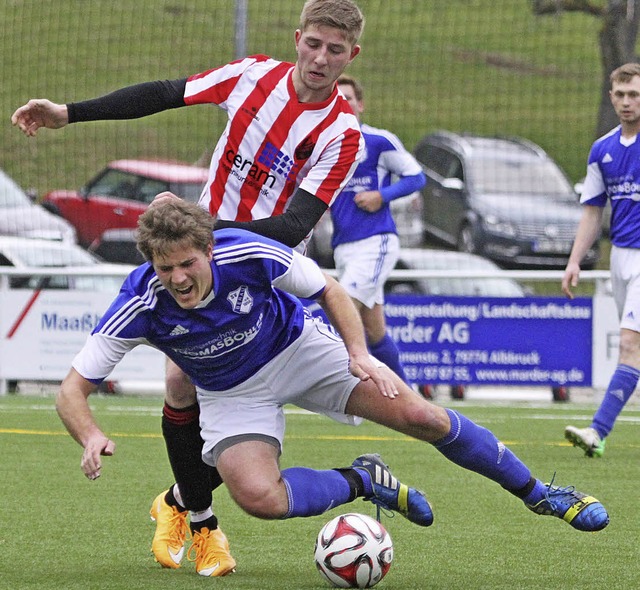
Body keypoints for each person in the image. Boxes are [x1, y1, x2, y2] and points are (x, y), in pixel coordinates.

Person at [56, 199, 608, 580]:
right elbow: (72, 390)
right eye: (165, 266)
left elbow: (330, 288)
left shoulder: (246, 252)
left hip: (301, 351)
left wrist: (358, 354)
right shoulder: (141, 301)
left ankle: (540, 494)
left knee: (422, 417)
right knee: (259, 500)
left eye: (187, 263)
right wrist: (88, 434)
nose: (177, 277)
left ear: (208, 248)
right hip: (231, 394)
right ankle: (363, 478)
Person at [12, 0, 366, 572]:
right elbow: (164, 92)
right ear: (298, 39)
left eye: (334, 50)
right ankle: (202, 524)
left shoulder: (343, 134)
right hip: (201, 257)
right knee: (180, 379)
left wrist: (202, 228)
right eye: (314, 44)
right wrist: (68, 113)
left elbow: (293, 227)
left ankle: (182, 502)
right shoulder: (252, 76)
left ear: (352, 54)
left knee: (202, 389)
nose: (321, 58)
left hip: (262, 270)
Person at [563, 62, 640, 458]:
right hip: (620, 258)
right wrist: (576, 260)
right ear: (611, 97)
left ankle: (597, 431)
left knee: (630, 344)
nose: (627, 102)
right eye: (621, 95)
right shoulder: (603, 149)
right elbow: (593, 210)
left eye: (635, 95)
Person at [330, 75, 426, 381]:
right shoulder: (325, 146)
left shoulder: (378, 141)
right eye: (336, 99)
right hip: (343, 247)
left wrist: (381, 196)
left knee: (339, 307)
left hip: (376, 242)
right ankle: (409, 400)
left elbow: (416, 177)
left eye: (348, 98)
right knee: (374, 330)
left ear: (360, 105)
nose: (342, 104)